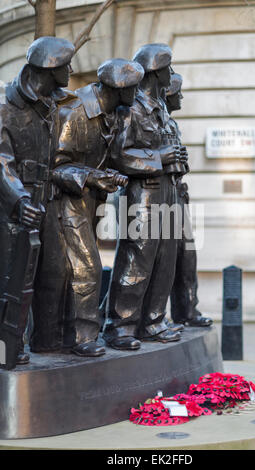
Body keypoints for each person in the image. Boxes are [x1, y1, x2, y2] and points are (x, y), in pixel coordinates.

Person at [30, 58, 145, 357]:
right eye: (134, 87)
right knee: (86, 267)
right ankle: (83, 337)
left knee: (70, 271)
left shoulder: (114, 114)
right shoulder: (76, 112)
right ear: (120, 89)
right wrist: (93, 178)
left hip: (89, 201)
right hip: (63, 201)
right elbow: (53, 167)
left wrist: (110, 175)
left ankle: (59, 337)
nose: (138, 92)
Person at [103, 44, 187, 350]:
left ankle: (153, 321)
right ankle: (121, 326)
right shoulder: (132, 108)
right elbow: (117, 155)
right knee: (136, 259)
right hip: (143, 193)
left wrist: (176, 159)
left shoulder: (162, 107)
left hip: (168, 190)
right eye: (168, 68)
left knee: (165, 259)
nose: (172, 73)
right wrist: (159, 156)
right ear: (155, 72)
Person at [0, 36, 75, 365]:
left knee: (55, 273)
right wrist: (18, 200)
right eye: (65, 66)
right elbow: (1, 162)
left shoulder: (57, 103)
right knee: (12, 282)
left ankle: (47, 342)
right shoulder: (5, 106)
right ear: (49, 69)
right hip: (14, 210)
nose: (70, 71)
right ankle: (7, 349)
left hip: (48, 203)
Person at [165, 73, 213, 328]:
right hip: (157, 202)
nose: (181, 97)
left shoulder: (171, 124)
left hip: (176, 198)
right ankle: (146, 318)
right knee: (156, 262)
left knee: (187, 256)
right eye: (178, 92)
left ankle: (187, 310)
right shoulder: (153, 120)